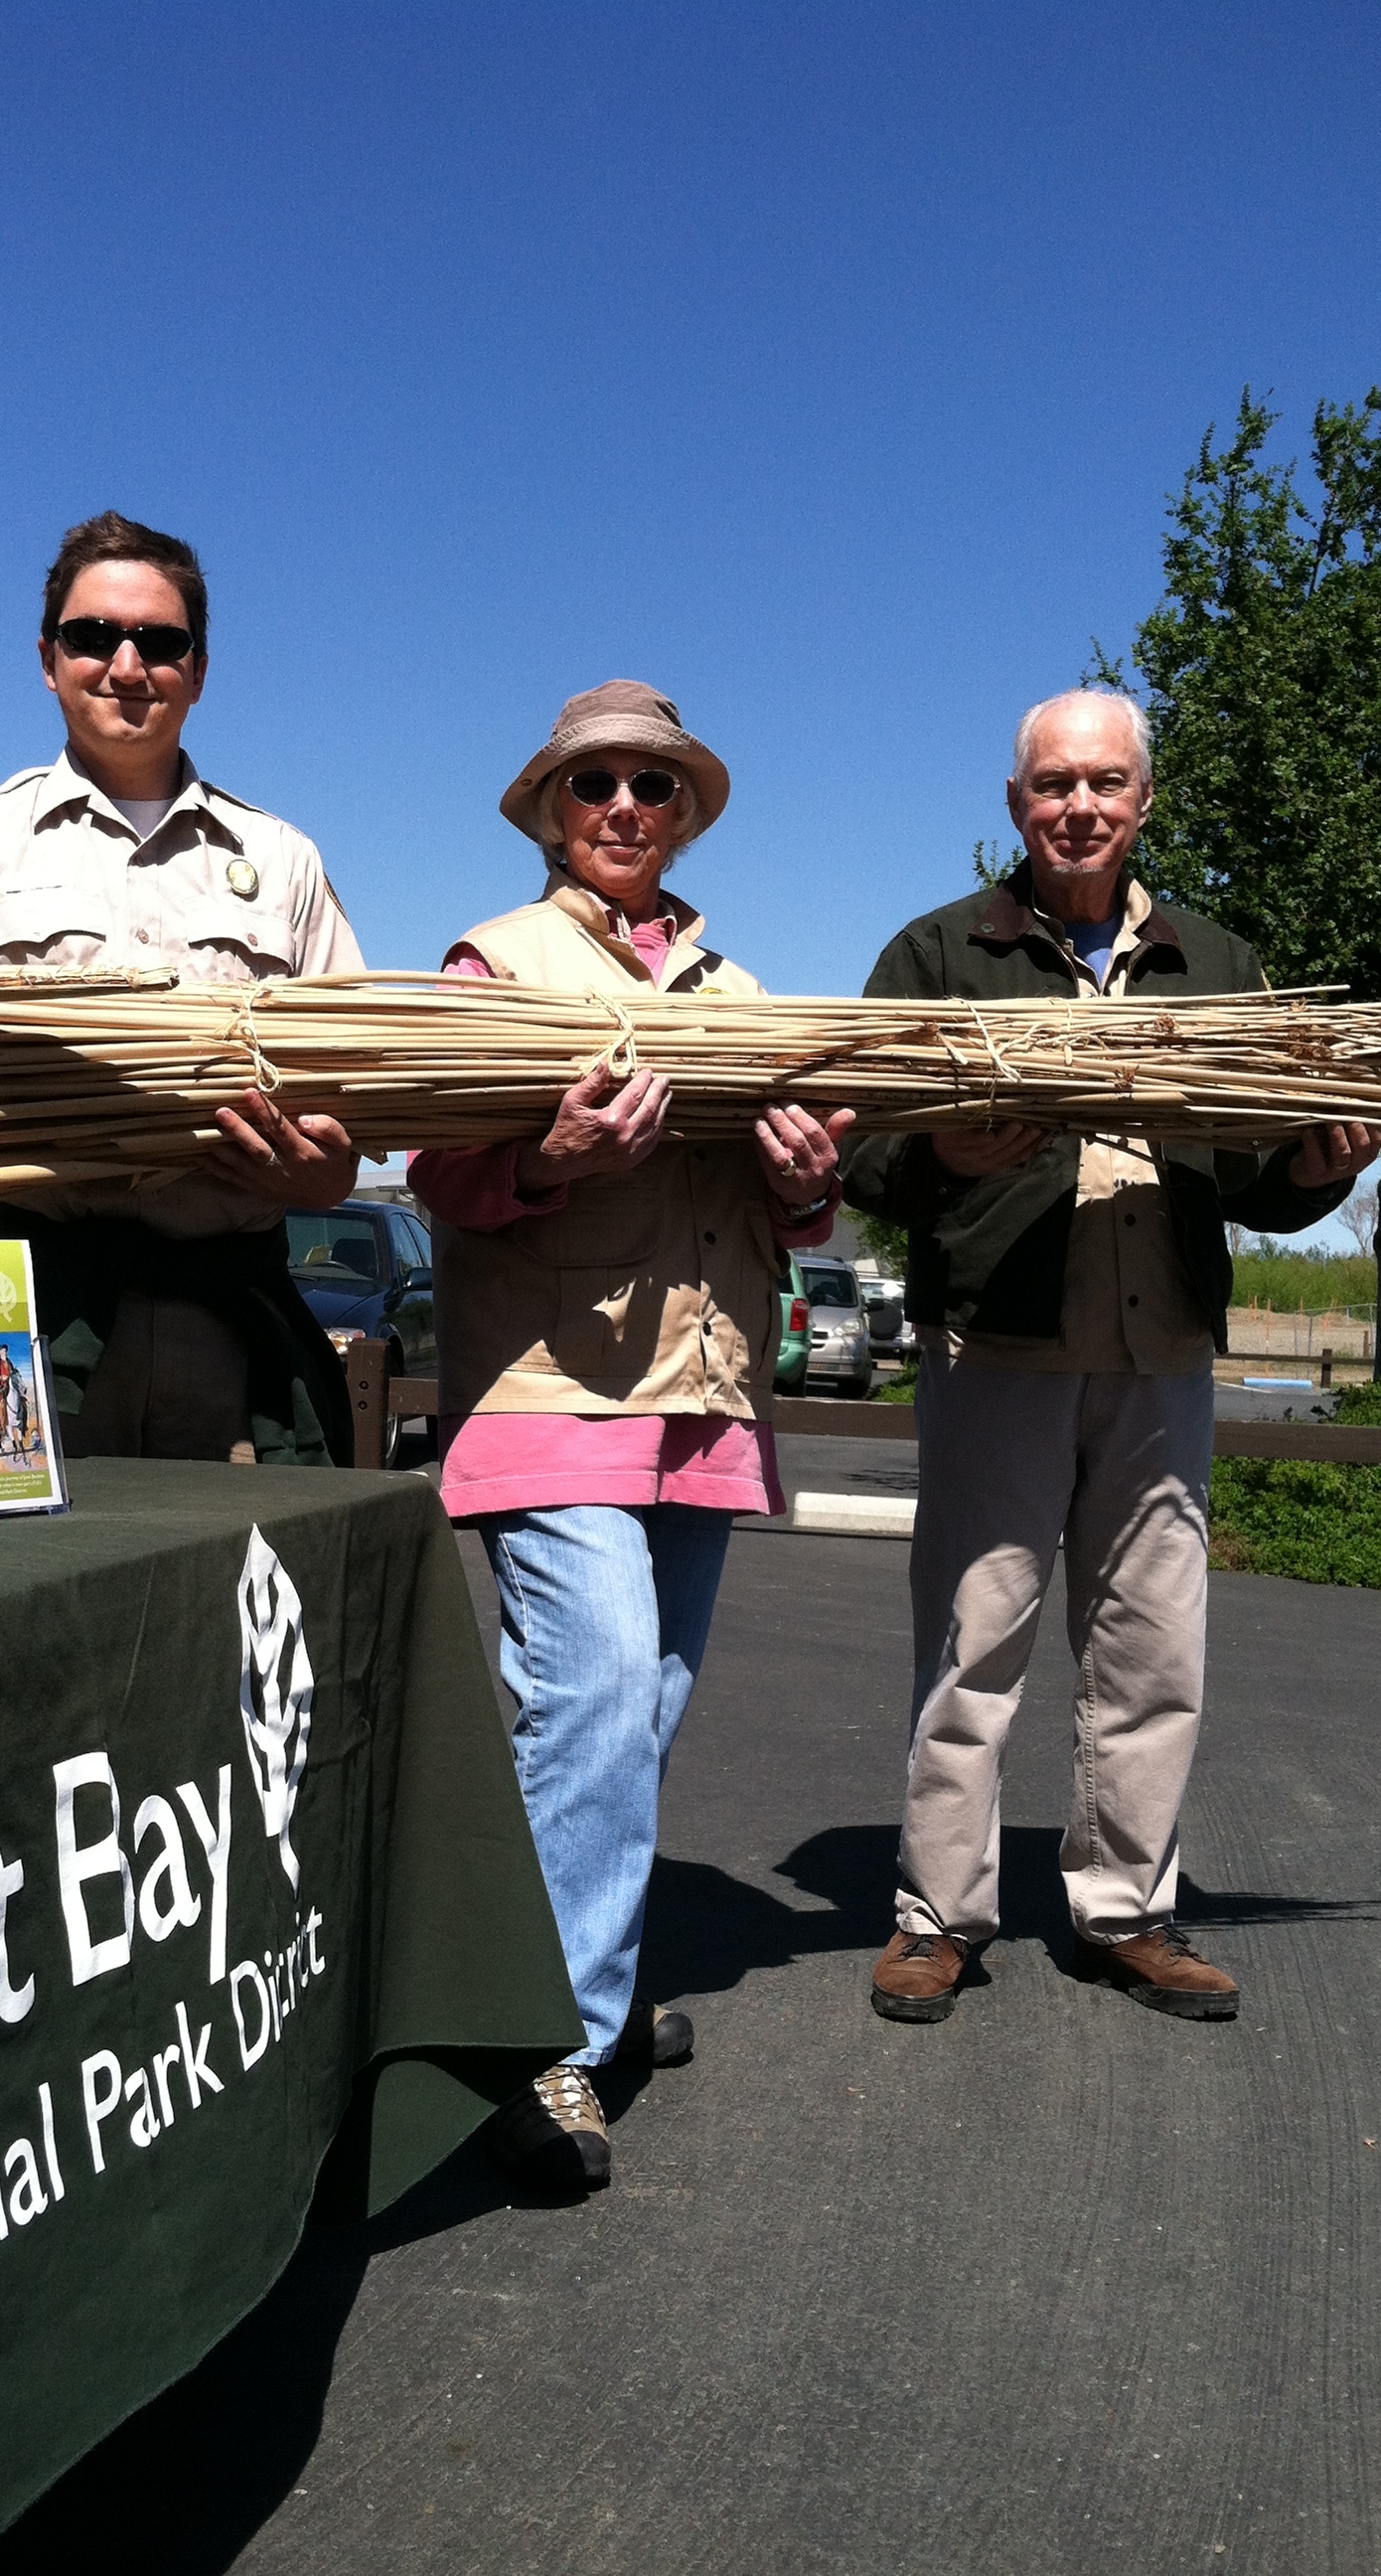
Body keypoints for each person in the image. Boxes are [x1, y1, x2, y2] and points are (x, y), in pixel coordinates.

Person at [844, 689, 1380, 2025]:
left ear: (1144, 800)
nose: (1077, 806)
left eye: (1103, 783)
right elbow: (852, 1144)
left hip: (1165, 1354)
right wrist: (937, 1156)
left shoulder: (1218, 961)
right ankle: (937, 1913)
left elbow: (1256, 1173)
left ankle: (1127, 1907)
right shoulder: (940, 954)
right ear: (1015, 804)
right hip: (998, 1347)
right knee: (975, 1642)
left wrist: (1319, 1174)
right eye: (1051, 785)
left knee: (1153, 1649)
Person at [407, 681, 853, 2191]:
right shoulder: (494, 964)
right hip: (550, 1387)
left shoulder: (742, 995)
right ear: (550, 806)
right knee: (591, 1696)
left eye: (651, 788)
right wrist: (544, 1153)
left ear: (684, 816)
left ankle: (578, 1972)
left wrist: (807, 1185)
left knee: (633, 1717)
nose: (620, 807)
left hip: (703, 1398)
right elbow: (439, 1181)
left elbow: (797, 1205)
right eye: (592, 782)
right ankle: (549, 2040)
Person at [0, 513, 365, 1465]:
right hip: (17, 1303)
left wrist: (322, 1178)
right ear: (48, 658)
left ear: (197, 669)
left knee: (236, 1602)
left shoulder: (283, 861)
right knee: (16, 1593)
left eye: (158, 642)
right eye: (91, 636)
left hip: (226, 1315)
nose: (124, 663)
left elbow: (348, 1102)